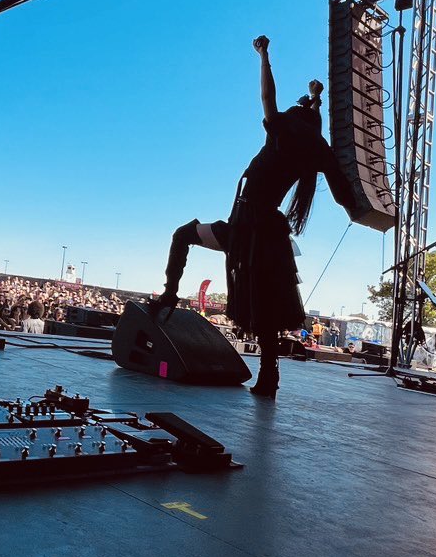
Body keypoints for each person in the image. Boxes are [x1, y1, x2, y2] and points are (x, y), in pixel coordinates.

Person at [153, 36, 365, 398]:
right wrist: (316, 98)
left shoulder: (284, 134)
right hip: (254, 229)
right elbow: (320, 141)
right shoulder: (314, 149)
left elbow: (268, 99)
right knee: (261, 300)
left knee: (185, 236)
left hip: (248, 227)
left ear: (297, 121)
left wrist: (264, 56)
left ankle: (171, 295)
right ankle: (268, 374)